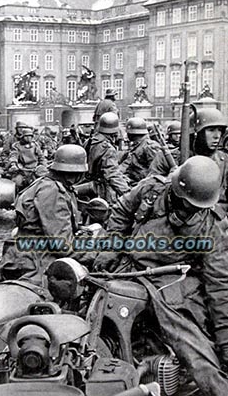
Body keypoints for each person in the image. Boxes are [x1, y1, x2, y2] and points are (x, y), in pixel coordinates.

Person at [94, 156, 228, 396]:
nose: (191, 213)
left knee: (194, 349)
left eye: (197, 208)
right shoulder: (152, 190)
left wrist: (225, 340)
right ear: (176, 191)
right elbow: (122, 212)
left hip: (168, 282)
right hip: (127, 267)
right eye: (188, 206)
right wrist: (110, 246)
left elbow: (218, 283)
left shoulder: (211, 225)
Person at [0, 144, 94, 287]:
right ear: (76, 173)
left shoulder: (45, 183)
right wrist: (94, 255)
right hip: (36, 259)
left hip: (25, 250)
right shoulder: (53, 191)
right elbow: (61, 245)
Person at [86, 112, 130, 205]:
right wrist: (128, 194)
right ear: (114, 132)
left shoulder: (90, 141)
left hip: (88, 188)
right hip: (102, 192)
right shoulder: (107, 148)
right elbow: (112, 174)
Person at [119, 117, 161, 186]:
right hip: (135, 182)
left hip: (144, 185)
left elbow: (155, 171)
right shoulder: (138, 145)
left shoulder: (149, 146)